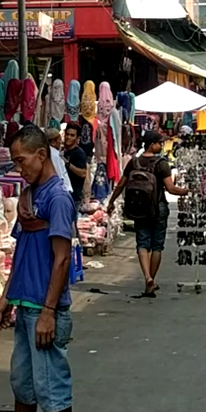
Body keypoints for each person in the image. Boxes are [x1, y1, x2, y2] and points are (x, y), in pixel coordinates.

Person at [0, 127, 76, 412]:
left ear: (41, 155)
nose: (19, 168)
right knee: (23, 381)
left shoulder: (57, 198)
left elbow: (61, 259)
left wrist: (48, 311)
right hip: (26, 301)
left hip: (44, 307)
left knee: (50, 382)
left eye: (21, 160)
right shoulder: (30, 196)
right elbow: (21, 250)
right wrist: (5, 296)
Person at [107, 130, 188, 297]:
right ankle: (152, 280)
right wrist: (187, 191)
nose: (162, 145)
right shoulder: (161, 164)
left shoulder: (134, 162)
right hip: (158, 207)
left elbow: (121, 184)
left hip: (139, 209)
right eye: (160, 142)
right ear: (152, 144)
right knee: (157, 246)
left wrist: (111, 202)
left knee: (142, 243)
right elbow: (171, 189)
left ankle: (147, 277)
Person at [62, 122, 89, 206]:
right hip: (63, 195)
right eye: (67, 134)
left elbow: (83, 173)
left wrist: (68, 164)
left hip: (74, 197)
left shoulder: (79, 153)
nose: (68, 137)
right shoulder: (63, 152)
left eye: (72, 135)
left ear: (77, 138)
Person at [44, 126, 74, 196]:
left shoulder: (49, 152)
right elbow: (59, 175)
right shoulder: (54, 155)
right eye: (59, 140)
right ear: (53, 142)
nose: (61, 142)